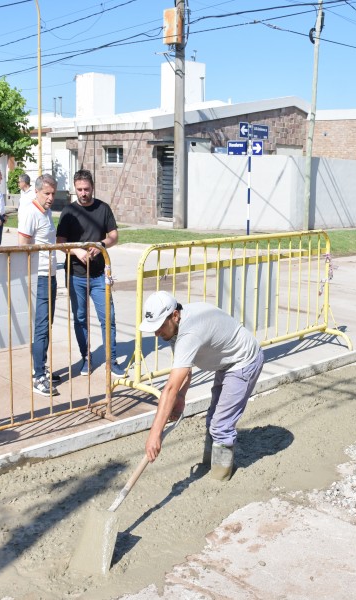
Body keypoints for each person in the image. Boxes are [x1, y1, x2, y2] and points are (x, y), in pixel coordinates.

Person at [140, 291, 265, 480]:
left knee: (221, 425)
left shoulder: (190, 331)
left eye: (159, 327)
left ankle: (219, 477)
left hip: (244, 362)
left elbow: (170, 388)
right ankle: (211, 463)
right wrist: (181, 398)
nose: (157, 333)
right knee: (213, 419)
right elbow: (184, 369)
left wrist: (155, 434)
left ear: (174, 315)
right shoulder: (176, 326)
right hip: (226, 362)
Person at [56, 169, 125, 376]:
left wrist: (101, 245)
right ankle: (86, 358)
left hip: (98, 275)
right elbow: (60, 243)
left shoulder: (103, 208)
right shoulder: (68, 211)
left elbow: (114, 236)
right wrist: (76, 251)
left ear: (92, 187)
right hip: (76, 275)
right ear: (75, 189)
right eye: (79, 189)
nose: (83, 193)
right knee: (80, 318)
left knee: (108, 318)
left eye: (86, 189)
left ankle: (111, 360)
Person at [18, 174, 59, 397]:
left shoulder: (47, 212)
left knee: (47, 324)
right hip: (39, 277)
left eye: (53, 193)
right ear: (37, 192)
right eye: (47, 193)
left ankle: (41, 366)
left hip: (50, 275)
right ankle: (38, 375)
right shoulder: (30, 212)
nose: (51, 198)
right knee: (42, 326)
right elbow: (23, 247)